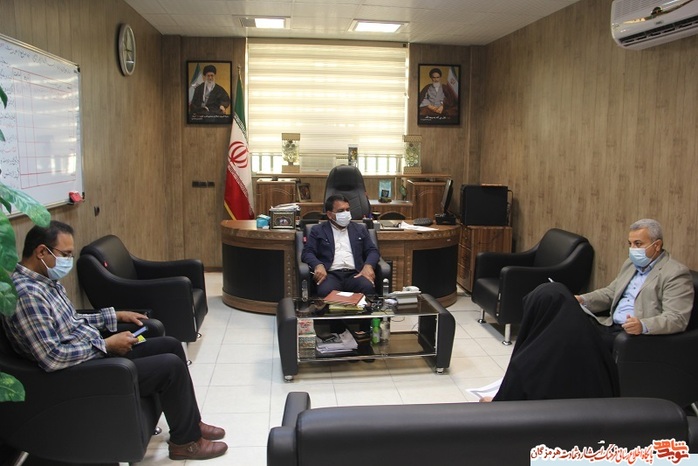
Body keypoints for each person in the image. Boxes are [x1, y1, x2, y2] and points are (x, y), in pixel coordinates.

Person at [1, 221, 228, 461]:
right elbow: (52, 357)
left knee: (169, 344)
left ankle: (191, 424)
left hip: (91, 354)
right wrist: (107, 345)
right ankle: (186, 444)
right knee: (170, 366)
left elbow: (72, 321)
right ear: (41, 251)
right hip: (79, 374)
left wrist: (115, 315)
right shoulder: (27, 295)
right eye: (65, 254)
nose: (68, 261)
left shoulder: (45, 282)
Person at [482, 282, 619, 401]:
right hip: (598, 420)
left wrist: (491, 403)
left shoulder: (527, 363)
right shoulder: (601, 353)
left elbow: (506, 407)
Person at [575, 218, 694, 349]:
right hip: (609, 325)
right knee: (566, 320)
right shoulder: (630, 264)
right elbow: (611, 293)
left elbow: (677, 318)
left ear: (657, 245)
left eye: (638, 244)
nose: (632, 249)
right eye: (630, 244)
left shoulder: (675, 273)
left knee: (576, 339)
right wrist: (582, 300)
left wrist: (642, 325)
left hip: (635, 337)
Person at [301, 194, 379, 298]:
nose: (346, 213)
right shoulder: (318, 230)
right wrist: (318, 265)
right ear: (329, 215)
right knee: (325, 291)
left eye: (348, 210)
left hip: (355, 273)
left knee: (367, 287)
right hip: (331, 274)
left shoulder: (359, 229)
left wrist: (368, 266)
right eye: (341, 211)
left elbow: (372, 251)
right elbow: (307, 252)